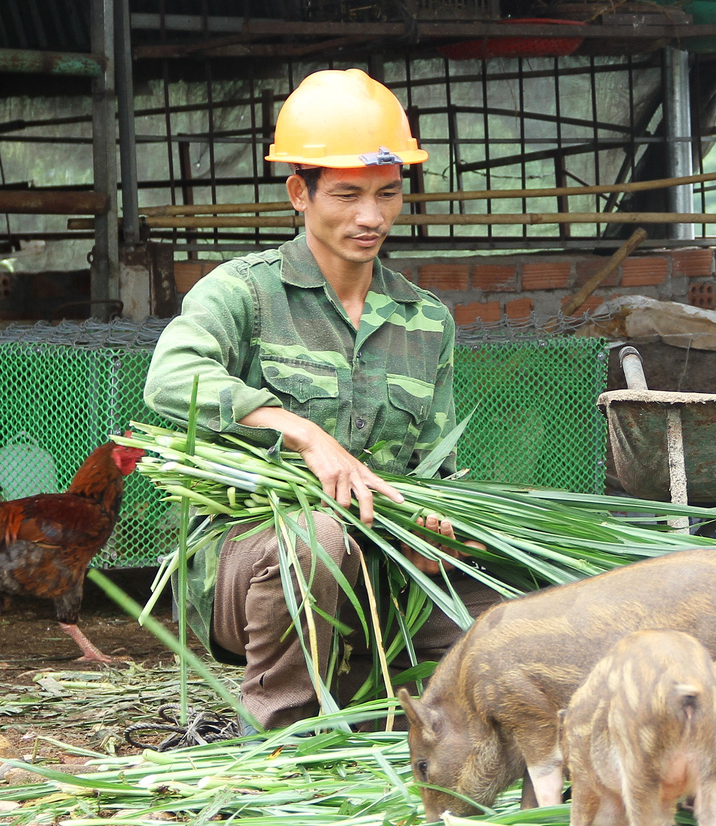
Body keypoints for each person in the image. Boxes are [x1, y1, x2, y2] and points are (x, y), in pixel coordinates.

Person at [144, 69, 496, 730]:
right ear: (298, 193)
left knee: (511, 598)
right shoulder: (243, 293)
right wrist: (303, 433)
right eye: (347, 194)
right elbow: (169, 376)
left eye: (388, 193)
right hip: (244, 565)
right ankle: (276, 739)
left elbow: (436, 466)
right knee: (317, 535)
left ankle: (406, 717)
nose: (371, 216)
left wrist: (433, 521)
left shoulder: (426, 321)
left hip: (381, 561)